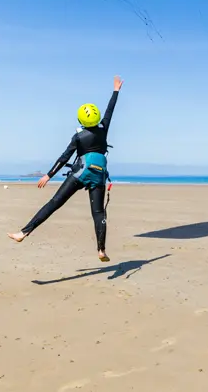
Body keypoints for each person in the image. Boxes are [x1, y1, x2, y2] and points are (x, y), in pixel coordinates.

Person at [7, 76, 123, 262]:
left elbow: (64, 157)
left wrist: (49, 175)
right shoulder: (104, 129)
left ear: (81, 120)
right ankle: (101, 250)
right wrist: (116, 90)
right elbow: (110, 110)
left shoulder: (79, 137)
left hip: (80, 174)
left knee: (54, 203)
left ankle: (23, 232)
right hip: (99, 176)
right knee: (98, 213)